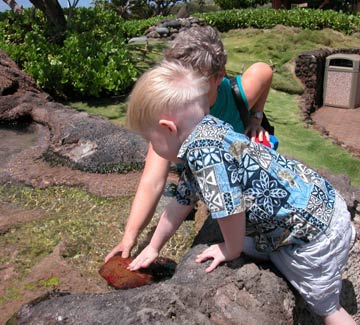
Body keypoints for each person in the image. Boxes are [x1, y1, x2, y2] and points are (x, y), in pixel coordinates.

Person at [126, 61, 356, 325]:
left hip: (316, 235)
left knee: (326, 308)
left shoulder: (206, 156)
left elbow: (229, 208)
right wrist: (154, 247)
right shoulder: (206, 132)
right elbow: (182, 201)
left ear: (168, 128)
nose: (152, 147)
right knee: (262, 248)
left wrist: (229, 249)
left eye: (151, 140)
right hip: (318, 205)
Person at [105, 25, 273, 262]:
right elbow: (152, 181)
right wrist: (129, 238)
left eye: (196, 83)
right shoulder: (171, 109)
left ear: (219, 76)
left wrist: (256, 117)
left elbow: (263, 71)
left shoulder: (237, 94)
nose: (183, 92)